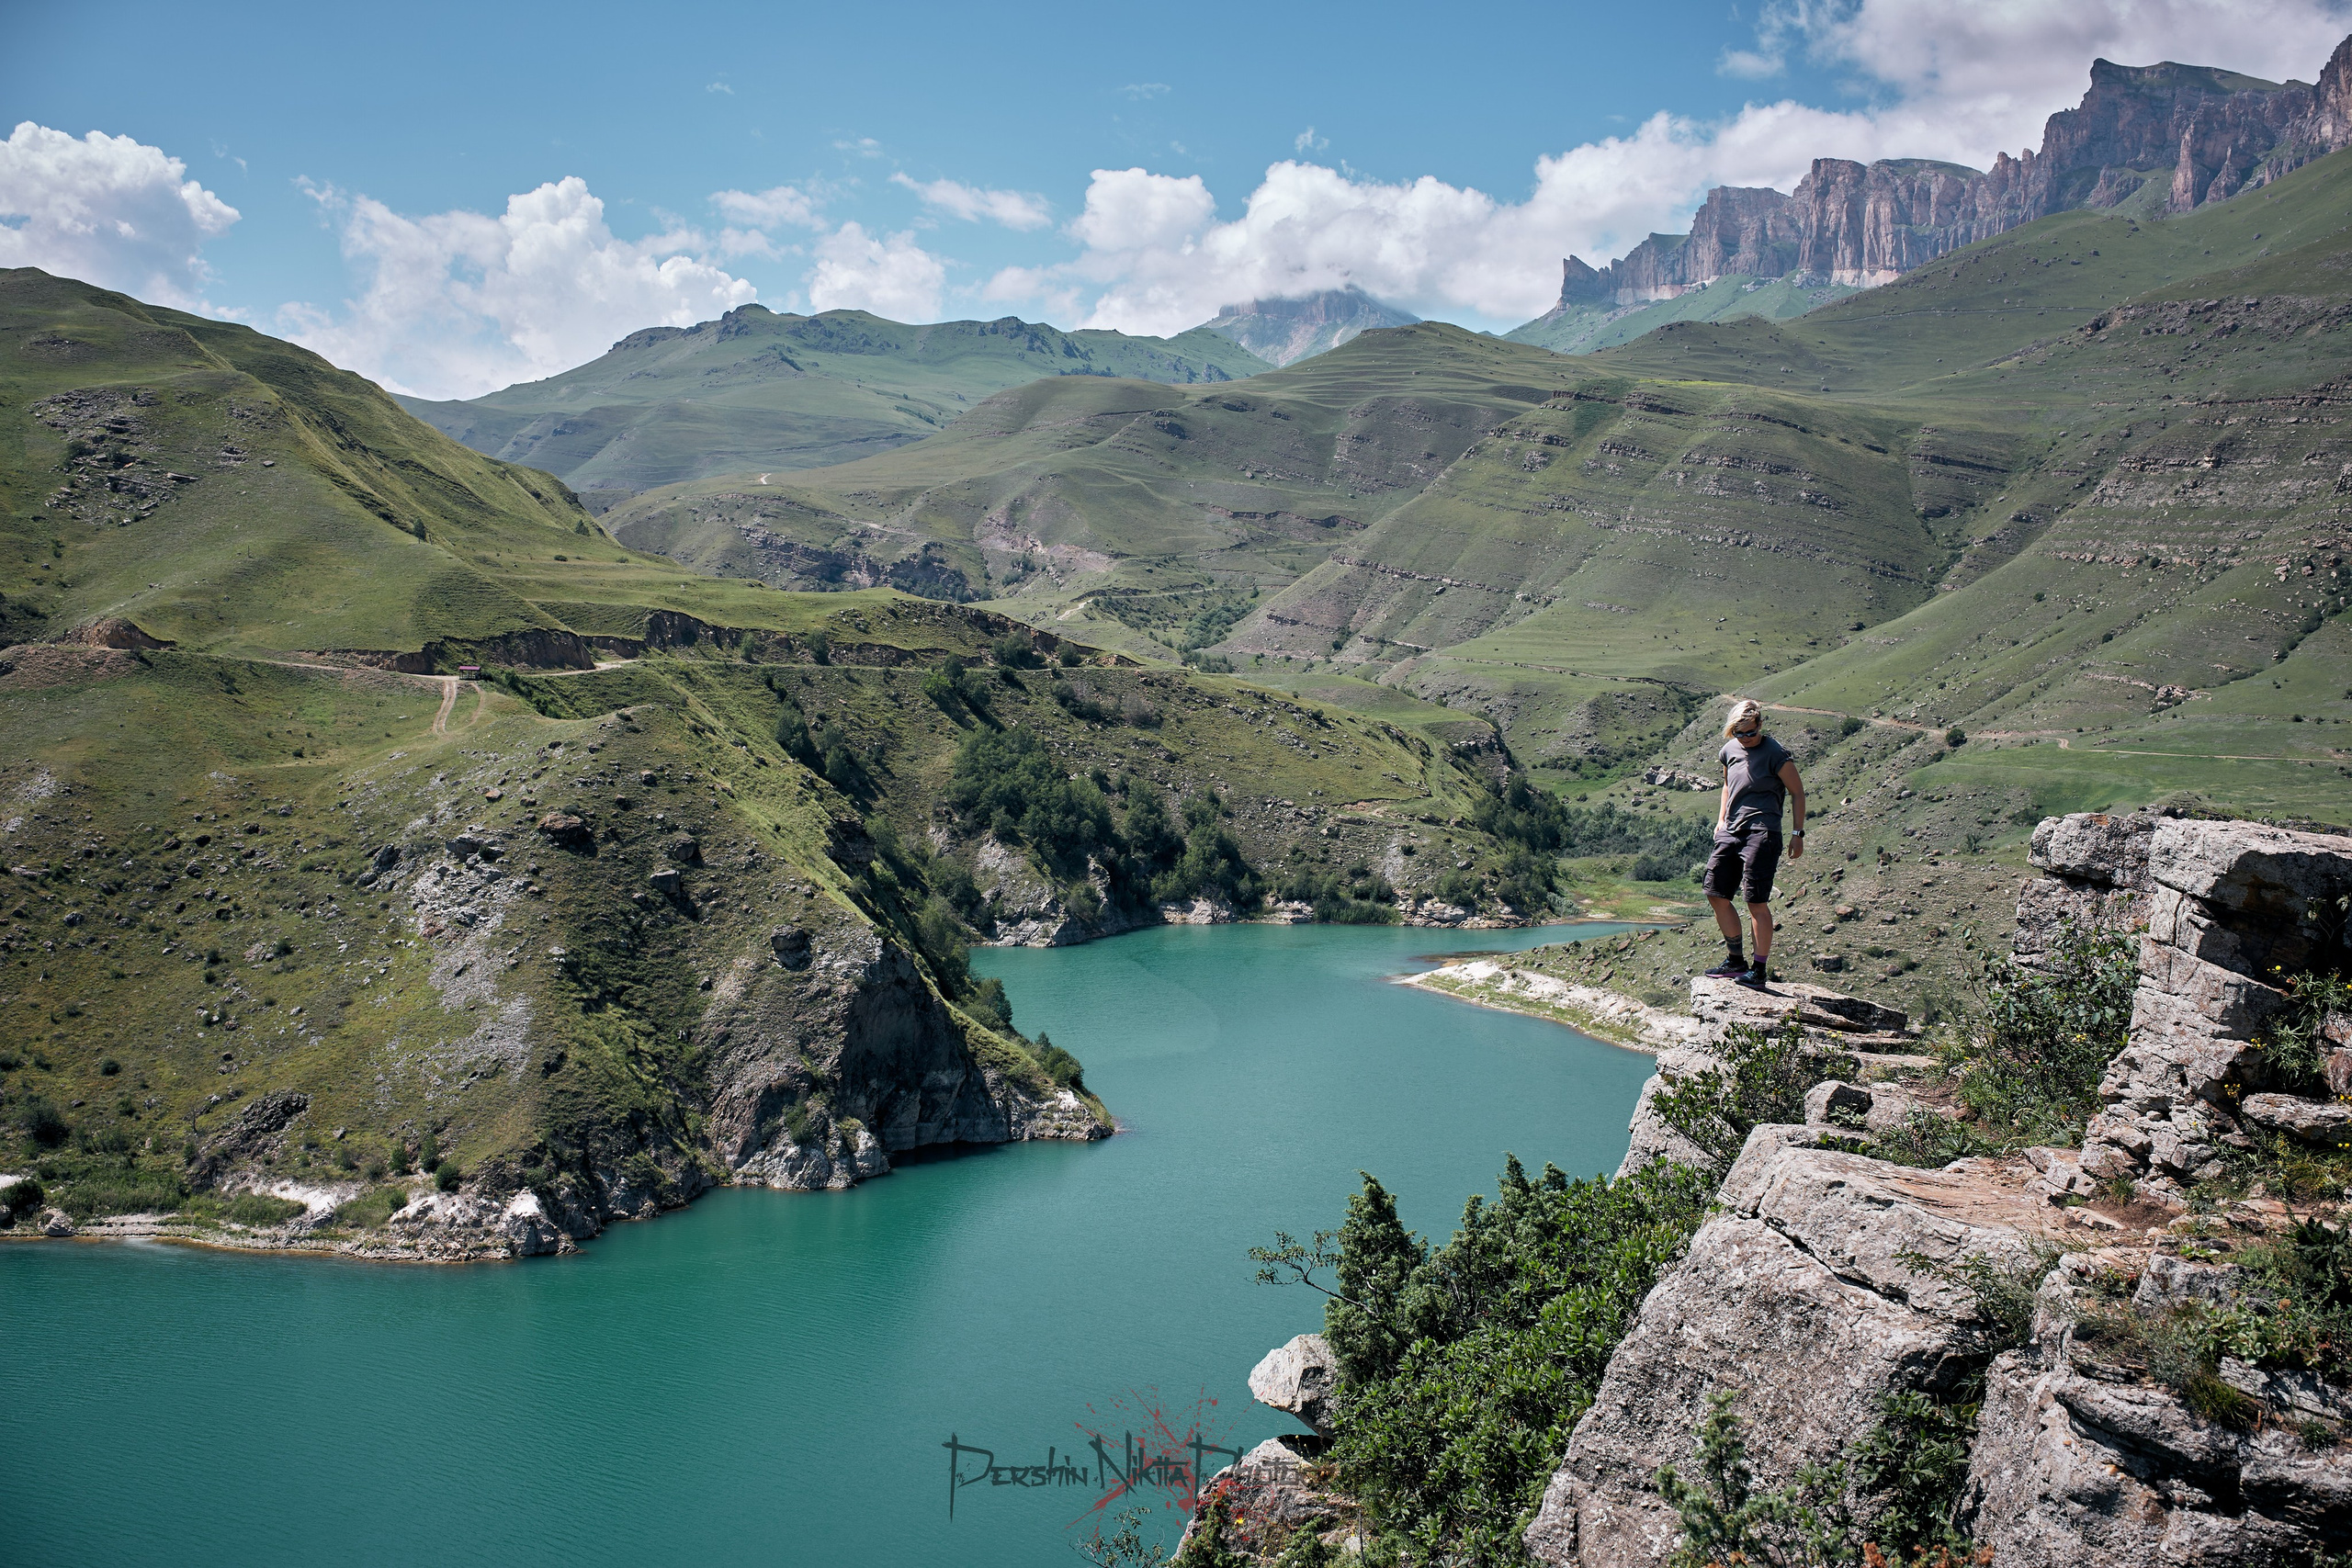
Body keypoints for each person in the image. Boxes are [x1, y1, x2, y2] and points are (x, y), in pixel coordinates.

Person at [1702, 699, 1804, 989]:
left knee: (1755, 901)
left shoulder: (1776, 753)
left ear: (1760, 725)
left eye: (1750, 732)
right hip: (1731, 831)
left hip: (1763, 832)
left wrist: (1798, 834)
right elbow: (1726, 785)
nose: (1746, 738)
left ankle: (1758, 970)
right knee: (1715, 892)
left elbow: (1797, 793)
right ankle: (1736, 961)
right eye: (1739, 733)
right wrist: (1721, 820)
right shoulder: (1729, 751)